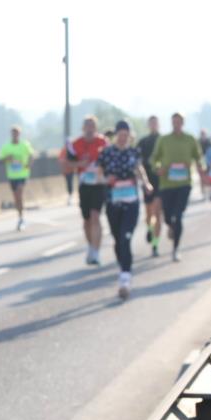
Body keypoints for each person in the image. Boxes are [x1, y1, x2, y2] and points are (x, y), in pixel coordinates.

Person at [96, 121, 154, 299]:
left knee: (126, 237)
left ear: (129, 136)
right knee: (117, 239)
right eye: (120, 134)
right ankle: (123, 267)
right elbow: (98, 177)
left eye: (125, 135)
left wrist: (145, 183)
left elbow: (139, 169)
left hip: (131, 201)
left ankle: (125, 279)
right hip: (113, 202)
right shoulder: (106, 153)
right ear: (115, 135)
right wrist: (107, 180)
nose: (122, 138)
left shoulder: (133, 152)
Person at [150, 112, 205, 262]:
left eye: (179, 122)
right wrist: (158, 168)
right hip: (166, 184)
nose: (176, 124)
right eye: (174, 122)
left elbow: (198, 156)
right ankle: (171, 226)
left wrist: (200, 166)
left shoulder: (190, 139)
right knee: (168, 217)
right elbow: (154, 159)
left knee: (178, 215)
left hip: (184, 184)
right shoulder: (164, 140)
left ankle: (175, 249)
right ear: (171, 123)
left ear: (183, 123)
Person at [67, 115, 109, 265]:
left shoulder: (103, 142)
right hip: (84, 185)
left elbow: (110, 160)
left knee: (95, 216)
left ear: (96, 128)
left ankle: (96, 252)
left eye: (93, 126)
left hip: (99, 184)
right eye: (87, 126)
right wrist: (80, 163)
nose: (90, 129)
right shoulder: (75, 144)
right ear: (83, 128)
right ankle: (91, 246)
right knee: (86, 221)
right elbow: (66, 164)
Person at [0, 125, 34, 230]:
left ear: (19, 134)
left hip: (23, 174)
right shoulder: (6, 146)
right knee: (16, 197)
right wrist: (6, 158)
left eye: (17, 133)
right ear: (11, 134)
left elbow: (31, 155)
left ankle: (21, 217)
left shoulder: (24, 145)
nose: (15, 135)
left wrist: (29, 164)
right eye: (13, 133)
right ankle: (20, 217)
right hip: (12, 175)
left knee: (19, 192)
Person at [136, 115, 162, 256]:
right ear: (148, 125)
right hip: (147, 181)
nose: (153, 125)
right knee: (148, 213)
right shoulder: (143, 142)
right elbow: (136, 161)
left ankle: (155, 244)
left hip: (160, 181)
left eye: (155, 123)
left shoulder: (163, 140)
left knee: (157, 213)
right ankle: (150, 230)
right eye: (151, 123)